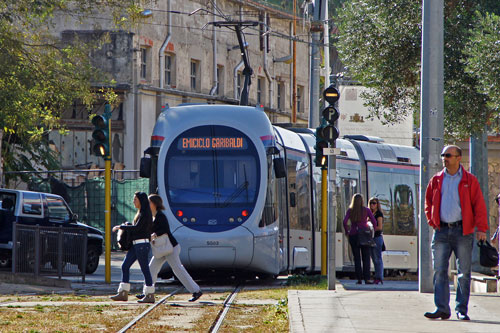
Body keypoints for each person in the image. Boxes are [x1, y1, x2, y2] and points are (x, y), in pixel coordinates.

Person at [424, 145, 488, 321]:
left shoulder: (470, 180)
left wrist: (481, 228)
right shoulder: (436, 180)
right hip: (441, 231)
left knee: (464, 273)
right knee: (439, 271)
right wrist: (432, 220)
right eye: (443, 155)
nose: (445, 158)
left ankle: (461, 309)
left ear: (459, 158)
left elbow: (479, 205)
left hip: (462, 231)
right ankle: (442, 308)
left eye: (449, 155)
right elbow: (428, 202)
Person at [138, 194, 203, 302]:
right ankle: (147, 292)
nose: (147, 204)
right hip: (161, 249)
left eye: (149, 202)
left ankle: (196, 291)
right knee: (151, 269)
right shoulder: (152, 216)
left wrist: (154, 235)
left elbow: (165, 230)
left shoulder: (160, 216)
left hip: (170, 248)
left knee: (178, 269)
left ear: (155, 204)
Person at [110, 191, 155, 303]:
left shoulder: (145, 214)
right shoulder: (140, 213)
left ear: (141, 201)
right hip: (136, 245)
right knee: (125, 266)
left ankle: (150, 294)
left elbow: (137, 228)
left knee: (145, 269)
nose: (133, 201)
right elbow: (136, 227)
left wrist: (121, 227)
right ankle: (123, 293)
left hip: (142, 245)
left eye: (135, 199)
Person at [343, 193, 378, 284]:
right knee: (366, 257)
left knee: (357, 258)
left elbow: (345, 222)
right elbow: (374, 221)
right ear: (362, 201)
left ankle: (359, 279)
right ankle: (367, 278)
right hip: (364, 235)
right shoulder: (366, 210)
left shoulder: (350, 210)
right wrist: (372, 231)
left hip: (353, 235)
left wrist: (347, 232)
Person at [368, 197, 384, 285]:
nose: (372, 205)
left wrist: (371, 229)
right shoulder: (369, 214)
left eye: (374, 203)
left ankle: (379, 277)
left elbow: (380, 227)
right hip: (371, 238)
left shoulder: (379, 214)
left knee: (378, 258)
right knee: (374, 258)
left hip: (377, 238)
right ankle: (377, 276)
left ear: (377, 204)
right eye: (370, 203)